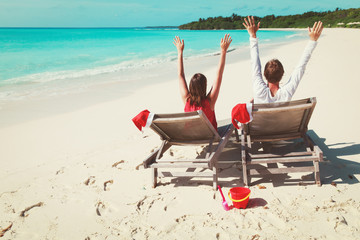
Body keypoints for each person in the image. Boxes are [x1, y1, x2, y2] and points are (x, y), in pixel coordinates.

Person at [242, 16, 323, 103]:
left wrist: (253, 36)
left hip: (261, 117)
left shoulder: (259, 90)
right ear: (282, 74)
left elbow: (255, 63)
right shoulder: (286, 93)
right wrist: (312, 40)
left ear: (264, 75)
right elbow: (300, 68)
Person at [173, 34, 232, 130]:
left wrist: (180, 52)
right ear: (204, 86)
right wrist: (223, 51)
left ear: (190, 86)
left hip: (193, 135)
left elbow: (180, 75)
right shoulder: (210, 101)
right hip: (210, 136)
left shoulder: (186, 100)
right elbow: (219, 75)